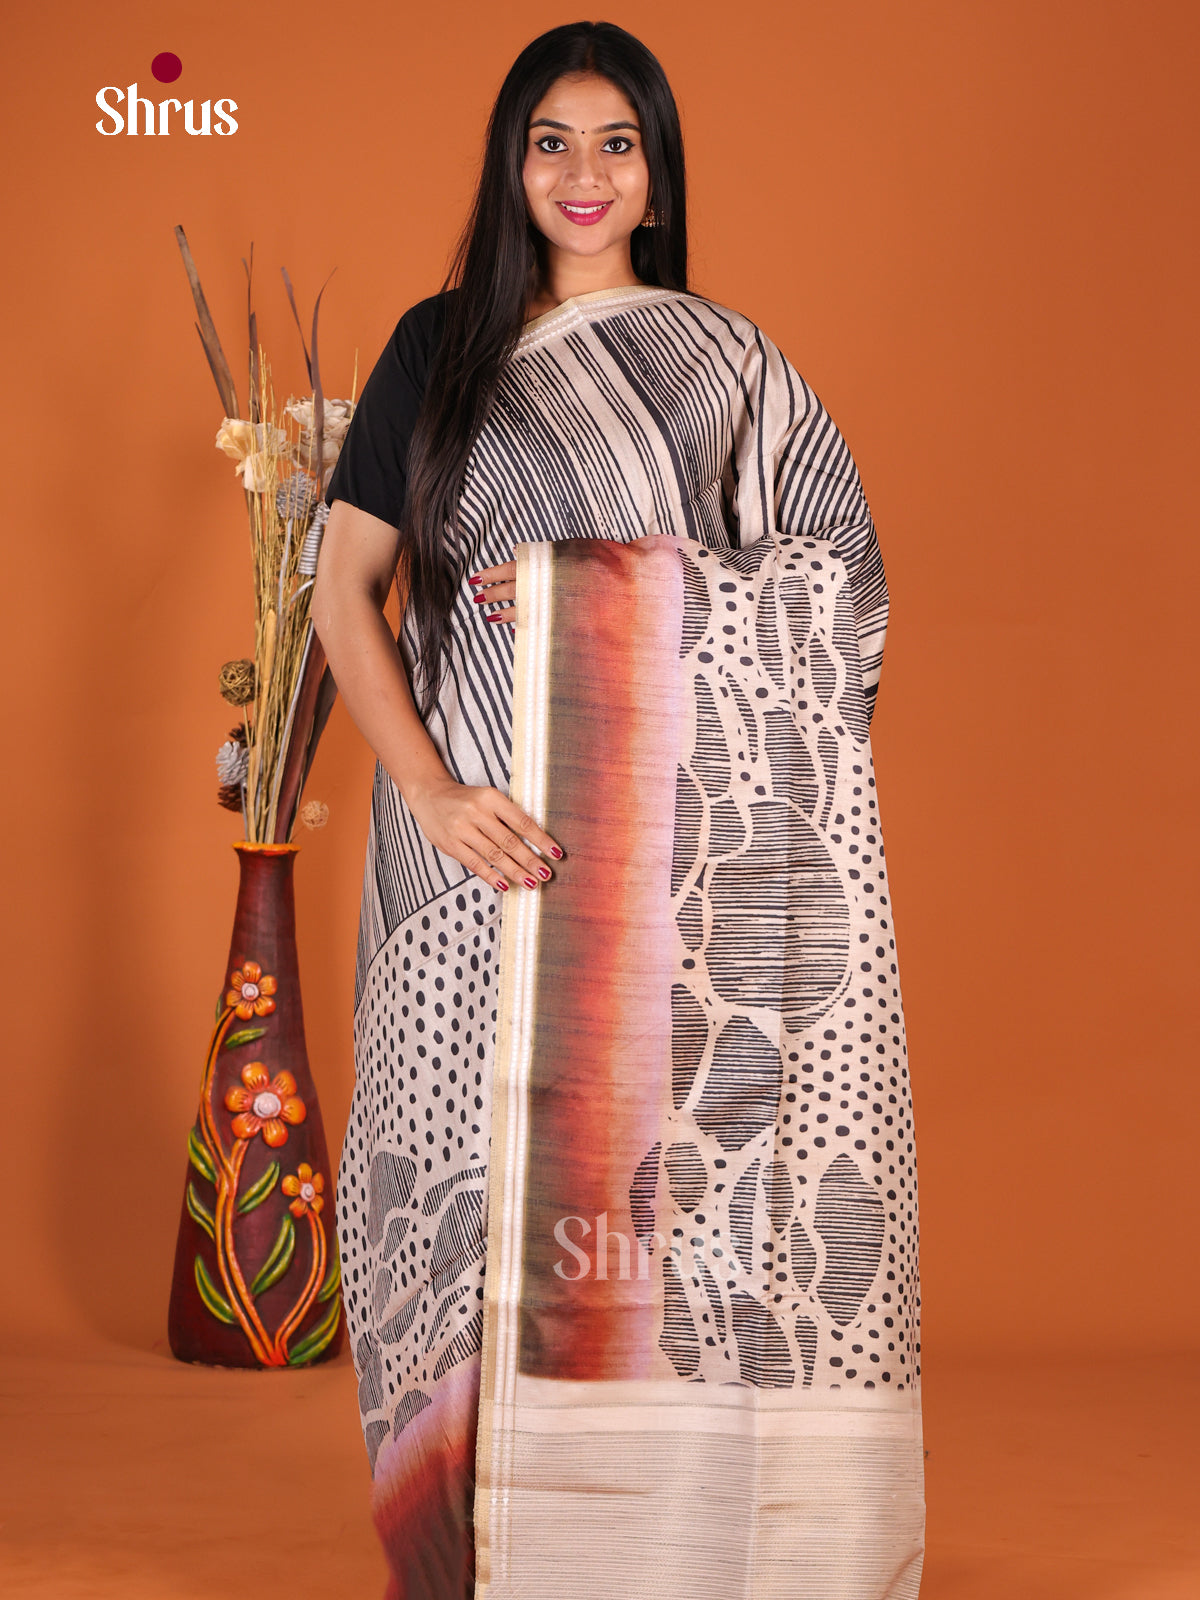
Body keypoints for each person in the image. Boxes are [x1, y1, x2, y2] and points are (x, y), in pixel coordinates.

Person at [314, 19, 924, 1600]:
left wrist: (593, 592)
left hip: (667, 879)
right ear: (509, 165)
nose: (582, 175)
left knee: (676, 1223)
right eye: (550, 142)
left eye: (616, 142)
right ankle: (483, 1556)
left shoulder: (729, 368)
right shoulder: (438, 348)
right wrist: (434, 792)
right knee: (460, 1210)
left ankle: (657, 1551)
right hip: (472, 856)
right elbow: (340, 593)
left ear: (657, 172)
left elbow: (840, 591)